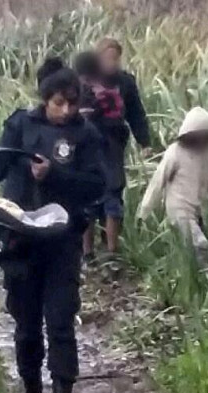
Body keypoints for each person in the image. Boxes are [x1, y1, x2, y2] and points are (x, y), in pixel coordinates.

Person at [0, 57, 106, 393]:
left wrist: (54, 175)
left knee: (60, 320)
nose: (66, 110)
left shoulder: (86, 135)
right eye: (59, 102)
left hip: (63, 242)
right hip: (20, 241)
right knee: (26, 323)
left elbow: (97, 184)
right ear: (45, 99)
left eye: (72, 103)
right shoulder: (20, 126)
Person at [79, 38, 152, 261]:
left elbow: (136, 113)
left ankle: (112, 251)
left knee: (113, 193)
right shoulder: (85, 81)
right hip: (88, 145)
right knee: (88, 197)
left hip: (114, 144)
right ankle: (87, 252)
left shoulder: (125, 82)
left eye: (115, 58)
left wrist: (145, 141)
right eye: (106, 58)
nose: (111, 62)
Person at [137, 107, 208, 266]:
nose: (201, 138)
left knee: (194, 250)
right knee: (200, 244)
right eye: (198, 133)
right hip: (179, 208)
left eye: (205, 134)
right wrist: (145, 210)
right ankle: (206, 280)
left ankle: (195, 281)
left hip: (199, 209)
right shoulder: (175, 152)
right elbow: (158, 181)